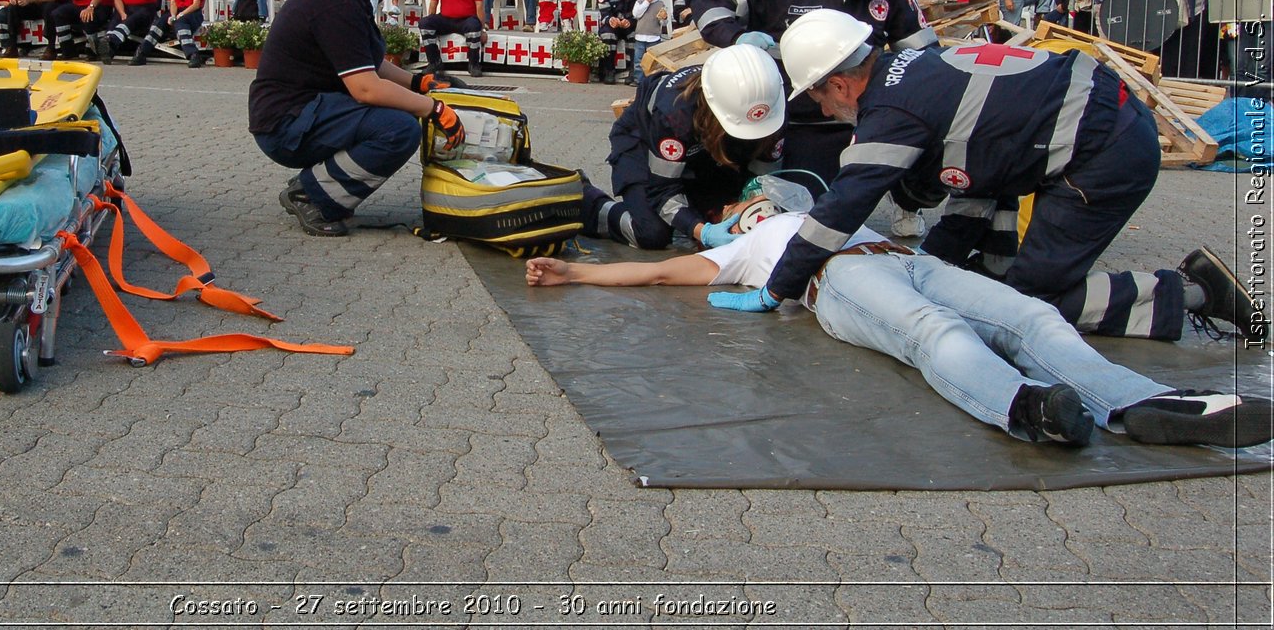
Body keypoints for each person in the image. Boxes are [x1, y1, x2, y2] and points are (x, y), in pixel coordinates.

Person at [529, 206, 1273, 449]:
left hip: (902, 256)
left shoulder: (839, 206)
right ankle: (1029, 412)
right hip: (839, 281)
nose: (761, 200)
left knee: (1031, 315)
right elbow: (659, 273)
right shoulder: (745, 247)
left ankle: (1141, 402)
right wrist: (577, 272)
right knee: (932, 332)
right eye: (752, 203)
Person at [761, 8, 1261, 344]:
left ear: (841, 84)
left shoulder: (890, 113)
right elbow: (982, 184)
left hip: (1105, 156)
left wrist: (778, 286)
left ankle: (1190, 291)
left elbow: (840, 210)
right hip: (1104, 131)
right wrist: (930, 266)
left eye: (821, 99)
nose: (826, 111)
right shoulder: (918, 66)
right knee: (1000, 284)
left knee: (1025, 309)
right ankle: (1009, 277)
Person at [689, 0, 934, 204]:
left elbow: (923, 57)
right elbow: (711, 1)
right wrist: (738, 39)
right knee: (784, 209)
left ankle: (909, 202)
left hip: (852, 126)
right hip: (789, 123)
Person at [249, 0, 466, 237]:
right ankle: (311, 195)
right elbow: (365, 87)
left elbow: (372, 63)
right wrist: (435, 110)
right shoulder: (334, 0)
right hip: (285, 123)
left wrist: (418, 84)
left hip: (300, 109)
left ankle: (315, 185)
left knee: (401, 111)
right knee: (399, 128)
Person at [580, 45, 785, 250]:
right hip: (643, 144)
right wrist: (701, 232)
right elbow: (662, 191)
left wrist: (758, 198)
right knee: (652, 233)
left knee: (718, 214)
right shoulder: (674, 115)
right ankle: (588, 204)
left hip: (707, 152)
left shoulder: (770, 105)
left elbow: (765, 177)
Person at [596, 0, 639, 82]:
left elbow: (641, 14)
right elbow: (603, 13)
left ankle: (633, 71)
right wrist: (610, 20)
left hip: (629, 26)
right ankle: (608, 70)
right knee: (607, 34)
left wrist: (630, 21)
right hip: (612, 25)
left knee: (636, 35)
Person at [630, 0, 668, 84]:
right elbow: (636, 14)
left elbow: (663, 23)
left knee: (652, 61)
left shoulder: (660, 4)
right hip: (640, 37)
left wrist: (664, 18)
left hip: (654, 37)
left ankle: (651, 80)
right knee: (638, 61)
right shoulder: (640, 2)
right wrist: (646, 3)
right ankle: (638, 80)